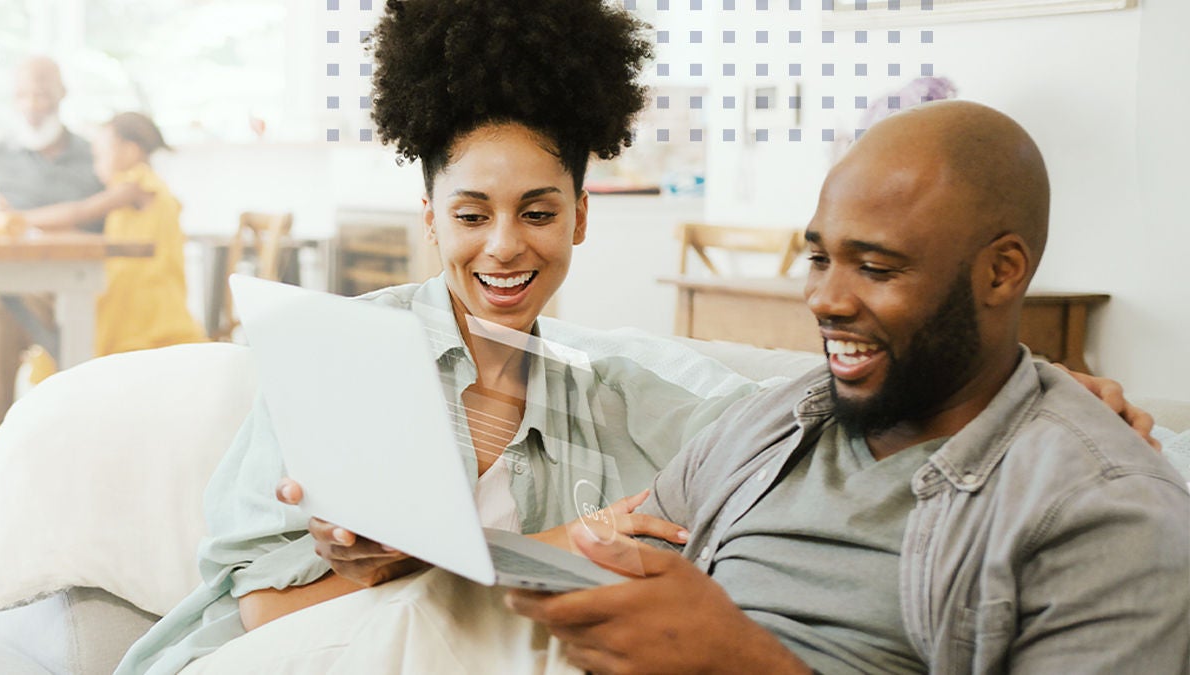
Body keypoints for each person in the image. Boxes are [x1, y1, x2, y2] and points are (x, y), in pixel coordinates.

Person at [116, 2, 1163, 672]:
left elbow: (819, 397)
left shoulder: (631, 388)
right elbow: (260, 614)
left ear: (581, 216)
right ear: (429, 217)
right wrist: (368, 562)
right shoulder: (343, 353)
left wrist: (1048, 385)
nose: (504, 246)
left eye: (537, 210)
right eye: (472, 213)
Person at [507, 101, 1189, 673]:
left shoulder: (1108, 513)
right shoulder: (773, 421)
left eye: (876, 268)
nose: (825, 299)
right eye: (819, 258)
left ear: (1002, 272)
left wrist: (745, 664)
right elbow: (625, 573)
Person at [0, 112, 205, 365]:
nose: (96, 166)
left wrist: (18, 218)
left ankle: (64, 363)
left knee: (54, 313)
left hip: (141, 304)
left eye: (100, 156)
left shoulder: (136, 184)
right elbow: (104, 236)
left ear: (129, 152)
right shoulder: (138, 188)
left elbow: (80, 212)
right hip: (131, 291)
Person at [0, 56, 103, 437]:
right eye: (22, 95)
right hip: (14, 284)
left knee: (1, 306)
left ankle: (75, 432)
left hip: (85, 285)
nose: (32, 105)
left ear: (62, 94)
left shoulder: (96, 155)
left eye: (41, 94)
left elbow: (111, 221)